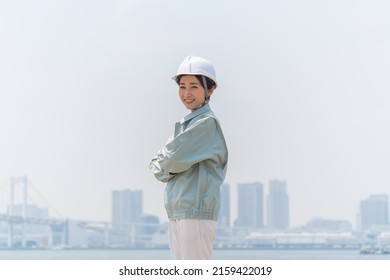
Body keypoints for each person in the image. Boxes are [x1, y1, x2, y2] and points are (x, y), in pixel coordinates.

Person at [149, 55, 228, 260]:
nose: (186, 93)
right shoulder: (188, 124)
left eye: (193, 86)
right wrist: (169, 164)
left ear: (210, 90)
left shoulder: (205, 124)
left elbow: (167, 161)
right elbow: (160, 165)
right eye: (182, 86)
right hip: (179, 211)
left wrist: (168, 164)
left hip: (195, 213)